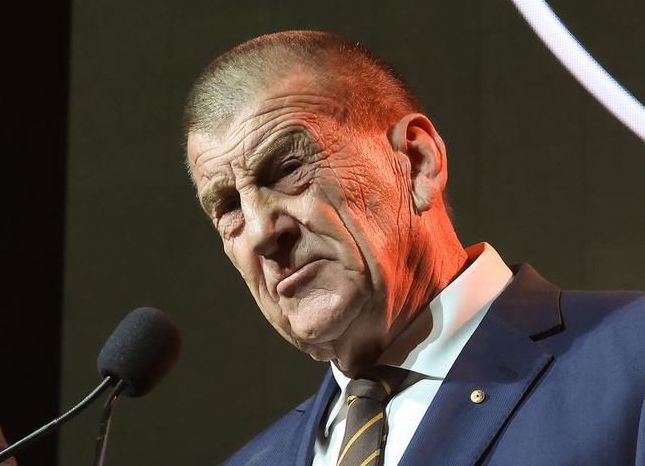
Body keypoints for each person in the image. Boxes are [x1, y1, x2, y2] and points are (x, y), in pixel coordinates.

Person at [184, 30, 644, 465]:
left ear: (416, 162)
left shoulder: (630, 357)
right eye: (228, 207)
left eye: (287, 168)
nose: (263, 231)